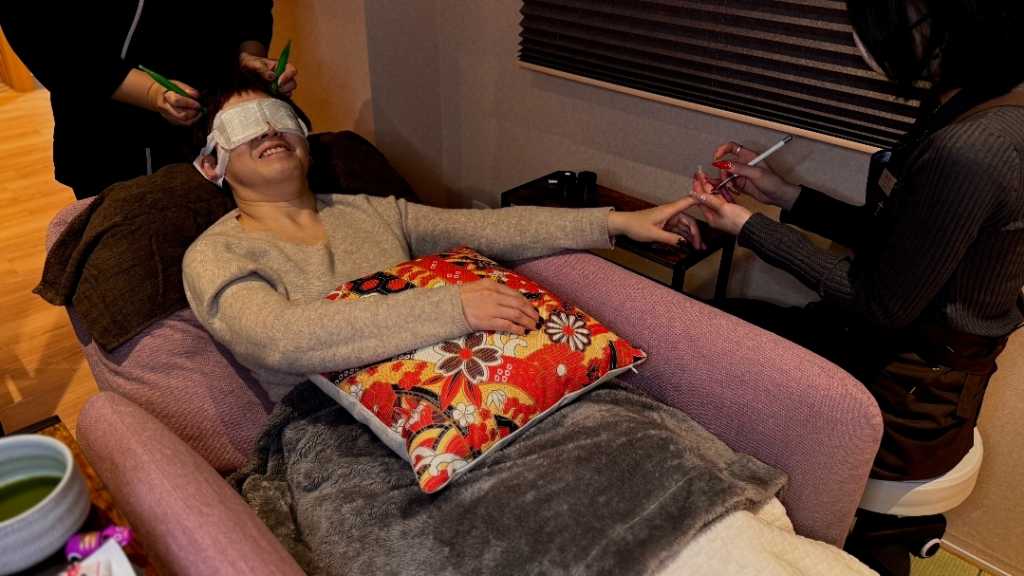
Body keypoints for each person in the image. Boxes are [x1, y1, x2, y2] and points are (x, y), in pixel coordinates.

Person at [182, 70, 703, 402]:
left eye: (278, 117)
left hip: (454, 391)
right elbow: (278, 337)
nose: (268, 130)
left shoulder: (373, 212)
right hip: (333, 432)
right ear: (211, 164)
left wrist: (615, 223)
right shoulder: (215, 254)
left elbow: (486, 227)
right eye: (242, 125)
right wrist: (454, 307)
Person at [693, 0, 1024, 483]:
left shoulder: (973, 148)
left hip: (904, 403)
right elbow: (900, 235)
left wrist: (748, 227)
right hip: (873, 344)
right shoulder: (969, 103)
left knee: (697, 351)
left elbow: (882, 304)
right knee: (714, 318)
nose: (861, 38)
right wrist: (783, 193)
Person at [0, 2, 297, 199]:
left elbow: (250, 9)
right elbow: (49, 45)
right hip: (110, 140)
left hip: (214, 119)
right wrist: (152, 92)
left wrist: (248, 59)